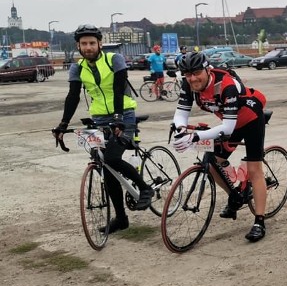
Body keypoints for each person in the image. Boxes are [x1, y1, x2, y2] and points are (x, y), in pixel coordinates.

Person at [53, 24, 154, 233]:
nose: (88, 47)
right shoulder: (77, 68)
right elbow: (72, 97)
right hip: (99, 117)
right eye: (84, 44)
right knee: (105, 166)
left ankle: (145, 188)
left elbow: (118, 89)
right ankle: (121, 219)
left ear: (99, 43)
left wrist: (118, 118)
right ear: (78, 46)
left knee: (111, 158)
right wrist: (63, 125)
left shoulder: (113, 59)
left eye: (92, 43)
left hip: (124, 113)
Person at [171, 52, 270, 242]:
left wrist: (195, 136)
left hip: (250, 119)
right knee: (212, 163)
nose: (192, 78)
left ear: (208, 69)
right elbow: (181, 113)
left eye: (196, 72)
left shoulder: (226, 84)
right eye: (187, 74)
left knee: (254, 168)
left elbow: (227, 128)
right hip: (229, 120)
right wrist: (180, 129)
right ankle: (235, 196)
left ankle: (259, 221)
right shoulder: (189, 83)